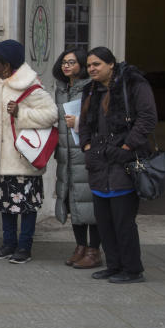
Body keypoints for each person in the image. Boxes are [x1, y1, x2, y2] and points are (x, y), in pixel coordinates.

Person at [79, 47, 157, 284]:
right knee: (104, 220)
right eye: (90, 65)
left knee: (123, 220)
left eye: (97, 64)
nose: (92, 68)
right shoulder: (90, 89)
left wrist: (126, 147)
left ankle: (132, 270)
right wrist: (86, 147)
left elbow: (147, 118)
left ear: (111, 64)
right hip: (99, 163)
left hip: (124, 161)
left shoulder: (133, 83)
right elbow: (84, 124)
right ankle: (113, 265)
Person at [0, 40, 58, 264]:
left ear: (6, 65)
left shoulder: (29, 84)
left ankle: (24, 247)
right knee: (6, 203)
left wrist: (21, 113)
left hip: (23, 156)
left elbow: (51, 113)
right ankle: (8, 244)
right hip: (1, 155)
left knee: (26, 205)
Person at [52, 47, 103, 269]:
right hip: (66, 155)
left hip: (86, 153)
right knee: (72, 201)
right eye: (64, 62)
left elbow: (102, 120)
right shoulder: (61, 90)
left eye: (71, 62)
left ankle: (94, 250)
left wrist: (80, 123)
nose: (66, 66)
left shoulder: (93, 89)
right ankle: (80, 247)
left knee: (90, 203)